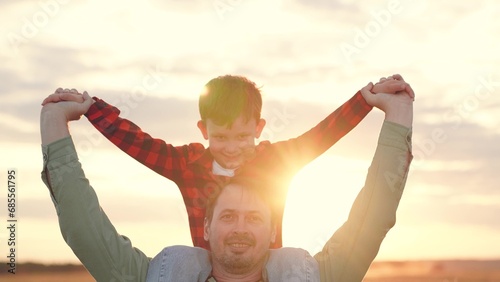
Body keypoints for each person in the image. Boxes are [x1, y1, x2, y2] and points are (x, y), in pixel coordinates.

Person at [40, 77, 414, 281]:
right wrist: (93, 110)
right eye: (220, 137)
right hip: (208, 265)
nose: (232, 148)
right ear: (204, 130)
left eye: (242, 137)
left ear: (259, 128)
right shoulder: (187, 164)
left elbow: (322, 135)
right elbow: (138, 143)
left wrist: (364, 100)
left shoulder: (275, 161)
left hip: (265, 265)